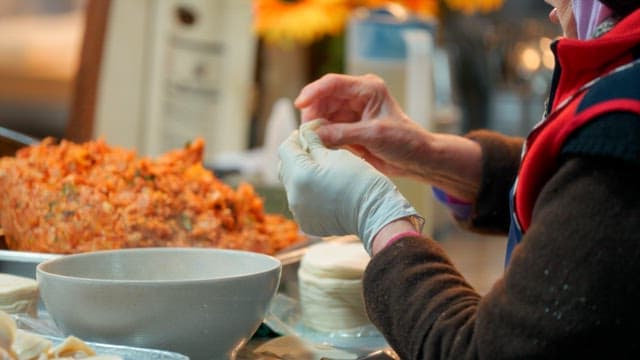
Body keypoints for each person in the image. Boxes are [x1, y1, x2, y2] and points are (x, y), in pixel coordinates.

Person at [278, 0, 640, 358]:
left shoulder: (624, 134)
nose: (552, 13)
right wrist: (424, 152)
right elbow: (574, 194)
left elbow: (481, 352)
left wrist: (376, 216)